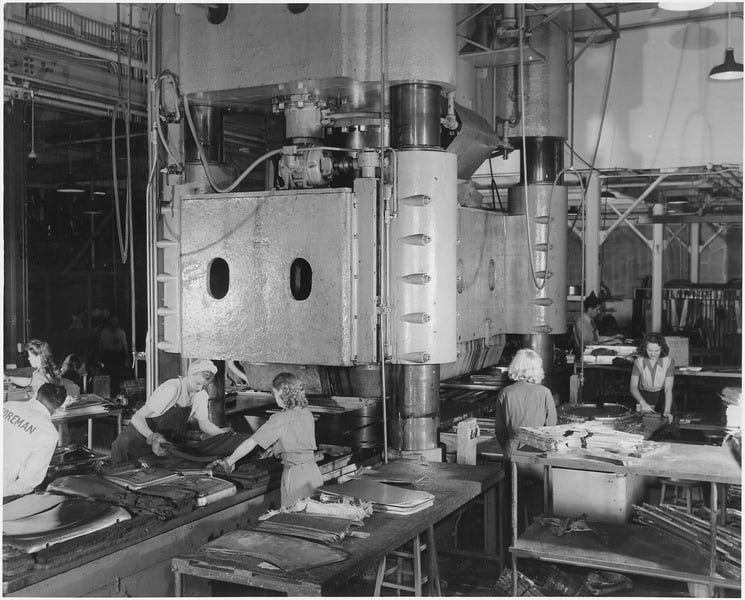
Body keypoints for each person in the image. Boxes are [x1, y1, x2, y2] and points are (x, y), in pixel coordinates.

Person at [208, 372, 324, 507]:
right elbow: (295, 439)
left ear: (282, 393)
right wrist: (274, 449)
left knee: (292, 518)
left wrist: (229, 461)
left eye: (274, 393)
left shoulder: (280, 419)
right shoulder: (306, 412)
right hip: (313, 473)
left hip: (296, 477)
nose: (274, 397)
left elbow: (251, 442)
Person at [110, 360, 235, 463]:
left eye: (205, 385)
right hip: (133, 444)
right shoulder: (173, 389)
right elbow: (137, 417)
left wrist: (223, 433)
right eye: (198, 383)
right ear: (190, 374)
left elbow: (205, 425)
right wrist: (153, 438)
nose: (200, 388)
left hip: (158, 448)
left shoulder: (200, 395)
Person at [4, 382, 67, 498]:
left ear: (37, 395)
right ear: (59, 407)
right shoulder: (49, 433)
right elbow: (30, 479)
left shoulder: (7, 406)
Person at [495, 349, 558, 456]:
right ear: (537, 369)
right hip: (539, 452)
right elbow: (551, 426)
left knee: (512, 473)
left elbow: (500, 430)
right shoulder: (545, 393)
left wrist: (509, 447)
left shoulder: (505, 393)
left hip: (512, 451)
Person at [629, 332, 675, 421]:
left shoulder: (669, 362)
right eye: (650, 350)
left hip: (663, 397)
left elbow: (668, 388)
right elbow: (633, 386)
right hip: (644, 396)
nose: (653, 354)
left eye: (656, 351)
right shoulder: (638, 362)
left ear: (662, 348)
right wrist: (642, 402)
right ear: (645, 348)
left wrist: (667, 411)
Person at [98, 315, 129, 395]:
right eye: (112, 321)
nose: (114, 323)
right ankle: (107, 392)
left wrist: (127, 358)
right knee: (107, 374)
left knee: (117, 375)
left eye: (115, 321)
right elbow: (100, 344)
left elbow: (125, 346)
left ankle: (116, 391)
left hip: (117, 355)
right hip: (107, 355)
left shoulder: (121, 332)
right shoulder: (104, 332)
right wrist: (99, 356)